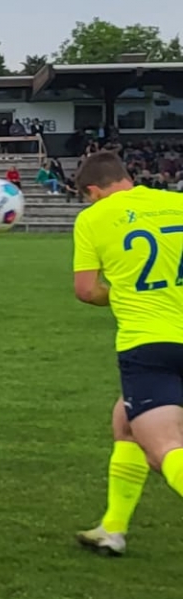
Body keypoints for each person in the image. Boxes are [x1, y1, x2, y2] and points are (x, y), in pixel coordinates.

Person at [70, 150, 183, 555]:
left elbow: (86, 290)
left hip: (150, 345)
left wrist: (119, 293)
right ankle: (112, 529)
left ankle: (113, 530)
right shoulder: (176, 202)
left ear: (94, 190)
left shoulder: (93, 218)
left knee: (164, 448)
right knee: (126, 422)